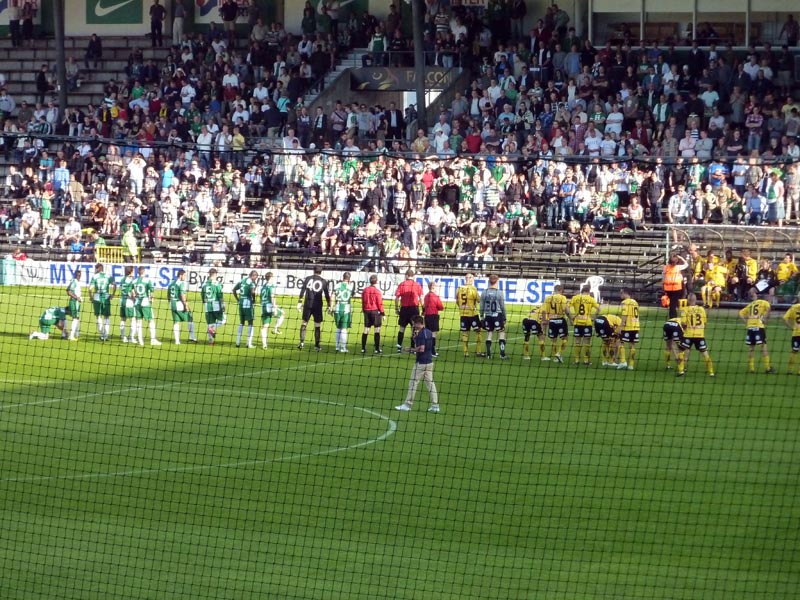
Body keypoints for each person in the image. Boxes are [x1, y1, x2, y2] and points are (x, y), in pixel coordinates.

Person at [395, 316, 440, 413]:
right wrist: (415, 340)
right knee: (430, 384)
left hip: (421, 363)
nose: (414, 326)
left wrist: (409, 350)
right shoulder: (428, 332)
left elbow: (422, 348)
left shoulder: (421, 334)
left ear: (418, 323)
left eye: (414, 323)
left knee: (413, 383)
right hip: (429, 362)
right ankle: (435, 405)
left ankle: (407, 404)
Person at [677, 294, 715, 378]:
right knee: (705, 353)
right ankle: (711, 372)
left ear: (687, 300)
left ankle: (681, 371)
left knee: (681, 351)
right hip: (700, 335)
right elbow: (705, 323)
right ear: (696, 300)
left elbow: (683, 323)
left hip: (689, 334)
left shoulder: (685, 309)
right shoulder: (701, 309)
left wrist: (685, 329)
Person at [739, 288, 775, 374]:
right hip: (759, 327)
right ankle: (767, 368)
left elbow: (740, 313)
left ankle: (751, 368)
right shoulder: (763, 302)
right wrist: (765, 319)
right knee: (763, 347)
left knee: (751, 348)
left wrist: (747, 322)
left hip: (750, 327)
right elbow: (769, 308)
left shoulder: (750, 305)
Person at [297, 265, 331, 351]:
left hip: (308, 303)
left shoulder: (308, 278)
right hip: (318, 305)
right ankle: (316, 345)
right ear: (321, 271)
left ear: (313, 270)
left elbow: (302, 290)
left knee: (304, 323)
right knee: (317, 325)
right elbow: (327, 294)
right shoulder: (323, 281)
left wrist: (299, 302)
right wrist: (329, 305)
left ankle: (301, 342)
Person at [567, 288, 599, 365]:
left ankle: (577, 360)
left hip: (577, 322)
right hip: (587, 322)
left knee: (577, 341)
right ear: (588, 292)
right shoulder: (591, 299)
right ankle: (586, 360)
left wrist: (571, 317)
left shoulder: (575, 298)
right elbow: (599, 308)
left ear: (582, 291)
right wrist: (594, 317)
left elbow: (567, 307)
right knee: (587, 341)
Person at [394, 268, 423, 353]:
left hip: (404, 309)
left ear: (406, 275)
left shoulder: (402, 284)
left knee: (402, 328)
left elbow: (396, 298)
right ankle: (413, 348)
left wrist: (396, 308)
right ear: (413, 276)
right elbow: (421, 297)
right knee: (414, 329)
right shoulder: (417, 284)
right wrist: (423, 307)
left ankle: (399, 347)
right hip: (414, 309)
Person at [480, 274, 507, 359]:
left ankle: (488, 354)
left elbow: (481, 306)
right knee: (501, 332)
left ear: (489, 281)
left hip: (488, 315)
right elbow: (503, 306)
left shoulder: (484, 292)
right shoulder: (499, 293)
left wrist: (482, 317)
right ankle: (502, 354)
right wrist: (504, 317)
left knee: (489, 333)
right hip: (497, 315)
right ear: (497, 281)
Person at [133, 266, 161, 346]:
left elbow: (133, 292)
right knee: (151, 320)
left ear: (138, 272)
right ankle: (153, 340)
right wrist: (151, 299)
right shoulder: (148, 280)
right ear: (144, 272)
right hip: (145, 302)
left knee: (139, 321)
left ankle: (140, 340)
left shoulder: (134, 281)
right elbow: (151, 291)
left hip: (137, 302)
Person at [456, 272, 483, 357]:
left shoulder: (459, 288)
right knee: (478, 332)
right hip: (472, 314)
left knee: (465, 333)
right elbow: (479, 300)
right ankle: (478, 351)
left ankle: (465, 352)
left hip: (463, 314)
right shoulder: (473, 289)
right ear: (471, 279)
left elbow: (457, 301)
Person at [167, 269, 197, 344]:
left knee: (176, 322)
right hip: (179, 304)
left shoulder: (171, 284)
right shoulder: (181, 283)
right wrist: (186, 305)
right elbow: (182, 295)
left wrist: (170, 302)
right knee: (190, 318)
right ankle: (192, 337)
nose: (185, 277)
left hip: (172, 304)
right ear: (180, 275)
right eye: (184, 275)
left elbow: (168, 295)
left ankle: (177, 341)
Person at [89, 262, 116, 342]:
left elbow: (90, 289)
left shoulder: (95, 276)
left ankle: (102, 335)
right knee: (106, 317)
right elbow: (115, 285)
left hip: (97, 298)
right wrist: (113, 295)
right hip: (106, 298)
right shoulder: (108, 276)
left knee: (98, 317)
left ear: (98, 269)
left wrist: (91, 298)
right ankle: (106, 335)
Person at [543, 284, 569, 362]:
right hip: (560, 320)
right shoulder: (562, 297)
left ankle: (555, 358)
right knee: (565, 338)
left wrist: (544, 320)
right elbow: (566, 310)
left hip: (551, 321)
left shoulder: (547, 298)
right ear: (560, 290)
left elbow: (544, 310)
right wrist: (571, 318)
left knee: (553, 340)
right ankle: (559, 353)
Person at [233, 270, 259, 348]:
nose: (256, 279)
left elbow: (234, 290)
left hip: (241, 302)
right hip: (248, 303)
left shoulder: (242, 281)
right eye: (256, 277)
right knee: (250, 323)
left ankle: (237, 342)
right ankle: (249, 343)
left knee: (241, 322)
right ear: (253, 276)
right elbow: (253, 292)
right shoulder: (251, 282)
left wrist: (237, 299)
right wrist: (254, 300)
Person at [616, 288, 640, 370]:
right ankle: (631, 365)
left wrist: (621, 326)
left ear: (626, 293)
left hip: (628, 326)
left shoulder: (624, 303)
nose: (620, 295)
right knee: (632, 345)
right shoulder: (635, 302)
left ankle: (623, 361)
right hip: (636, 325)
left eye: (621, 293)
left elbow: (624, 315)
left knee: (620, 342)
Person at [201, 267, 226, 344]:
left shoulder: (204, 284)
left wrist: (205, 302)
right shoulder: (217, 284)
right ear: (215, 274)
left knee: (210, 323)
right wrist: (223, 306)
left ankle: (211, 341)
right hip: (215, 305)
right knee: (223, 320)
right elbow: (220, 296)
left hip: (207, 306)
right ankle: (212, 329)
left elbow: (202, 296)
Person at [331, 272, 355, 352]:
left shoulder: (337, 285)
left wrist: (331, 307)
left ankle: (337, 346)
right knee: (344, 329)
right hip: (346, 309)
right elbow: (353, 295)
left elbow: (332, 296)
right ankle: (343, 348)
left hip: (337, 308)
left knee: (338, 328)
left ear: (343, 277)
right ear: (349, 279)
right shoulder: (350, 287)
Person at [361, 274, 385, 354]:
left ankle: (363, 348)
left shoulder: (365, 290)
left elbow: (363, 301)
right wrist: (383, 313)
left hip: (367, 311)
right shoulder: (377, 292)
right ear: (377, 281)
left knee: (366, 329)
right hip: (375, 311)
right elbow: (380, 303)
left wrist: (363, 309)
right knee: (377, 330)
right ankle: (377, 349)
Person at [260, 271, 284, 349]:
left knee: (265, 326)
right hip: (270, 306)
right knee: (283, 314)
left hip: (264, 307)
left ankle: (264, 345)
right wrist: (274, 307)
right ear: (271, 278)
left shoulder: (263, 286)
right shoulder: (271, 286)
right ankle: (275, 329)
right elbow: (272, 296)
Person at [663, 253, 689, 318]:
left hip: (671, 289)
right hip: (673, 289)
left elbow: (663, 277)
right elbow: (686, 264)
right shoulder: (677, 267)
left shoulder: (666, 267)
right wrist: (681, 258)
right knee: (672, 304)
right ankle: (673, 316)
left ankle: (672, 316)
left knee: (672, 303)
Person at [423, 280, 444, 357]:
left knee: (428, 334)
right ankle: (432, 351)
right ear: (434, 287)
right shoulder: (435, 296)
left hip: (427, 316)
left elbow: (424, 306)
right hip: (433, 316)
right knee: (433, 334)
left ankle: (427, 350)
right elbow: (441, 307)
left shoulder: (426, 296)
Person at [118, 265, 137, 343]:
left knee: (123, 319)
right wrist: (134, 298)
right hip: (128, 302)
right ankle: (131, 337)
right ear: (130, 272)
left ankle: (123, 337)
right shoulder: (130, 280)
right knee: (133, 319)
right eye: (133, 271)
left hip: (122, 301)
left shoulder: (122, 280)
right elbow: (130, 293)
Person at [782, 301, 800, 374]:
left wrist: (791, 328)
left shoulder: (793, 307)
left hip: (795, 333)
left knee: (794, 352)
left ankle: (790, 370)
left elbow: (784, 318)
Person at [66, 269, 82, 341]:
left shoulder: (77, 282)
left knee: (77, 318)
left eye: (80, 275)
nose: (79, 276)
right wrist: (76, 297)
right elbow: (68, 291)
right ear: (75, 275)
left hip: (77, 302)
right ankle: (71, 336)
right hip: (74, 302)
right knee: (75, 318)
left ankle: (77, 334)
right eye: (78, 275)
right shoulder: (74, 281)